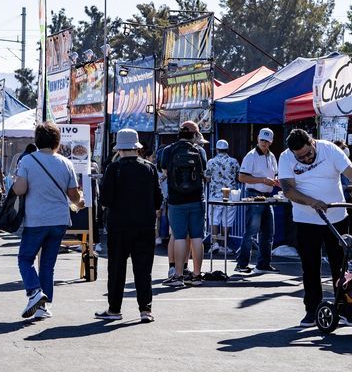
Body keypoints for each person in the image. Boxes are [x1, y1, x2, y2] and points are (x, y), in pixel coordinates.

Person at [279, 128, 352, 327]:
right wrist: (312, 201)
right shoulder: (286, 157)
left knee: (341, 266)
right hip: (306, 219)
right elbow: (288, 189)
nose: (305, 159)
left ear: (312, 142)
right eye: (301, 157)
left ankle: (345, 309)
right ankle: (312, 309)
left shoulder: (329, 150)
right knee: (310, 266)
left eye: (308, 154)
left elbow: (351, 173)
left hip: (337, 217)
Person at [12, 122, 82, 320]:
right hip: (59, 219)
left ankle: (34, 291)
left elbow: (20, 189)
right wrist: (81, 201)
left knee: (25, 259)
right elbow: (74, 196)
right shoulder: (66, 163)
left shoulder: (27, 161)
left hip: (36, 219)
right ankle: (43, 306)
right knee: (48, 264)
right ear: (57, 142)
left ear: (37, 140)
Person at [95, 129, 162, 324]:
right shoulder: (149, 168)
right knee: (143, 269)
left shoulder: (113, 168)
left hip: (119, 225)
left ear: (119, 149)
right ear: (137, 147)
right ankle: (145, 309)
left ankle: (114, 309)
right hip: (145, 225)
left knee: (116, 268)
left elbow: (105, 199)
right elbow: (158, 200)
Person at [163, 121, 207, 288]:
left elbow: (165, 171)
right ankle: (196, 275)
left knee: (179, 237)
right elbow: (204, 173)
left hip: (176, 200)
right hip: (196, 198)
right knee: (197, 237)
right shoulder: (200, 151)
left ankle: (178, 275)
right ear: (193, 136)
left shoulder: (168, 150)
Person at [236, 127, 280, 274]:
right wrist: (262, 180)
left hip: (266, 196)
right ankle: (242, 264)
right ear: (258, 139)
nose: (264, 143)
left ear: (271, 141)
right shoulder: (251, 156)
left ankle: (263, 263)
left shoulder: (271, 156)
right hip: (254, 195)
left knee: (268, 232)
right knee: (251, 230)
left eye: (267, 141)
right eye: (262, 140)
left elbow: (273, 175)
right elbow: (241, 177)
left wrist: (275, 181)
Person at [205, 138, 239, 252]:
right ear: (227, 149)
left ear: (217, 149)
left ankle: (214, 244)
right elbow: (238, 177)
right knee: (227, 220)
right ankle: (224, 245)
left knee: (214, 219)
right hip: (230, 194)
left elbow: (208, 178)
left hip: (215, 194)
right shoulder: (234, 161)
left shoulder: (210, 162)